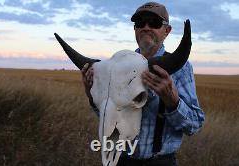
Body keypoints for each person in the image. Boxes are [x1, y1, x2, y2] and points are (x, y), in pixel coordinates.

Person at [81, 2, 205, 166]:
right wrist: (93, 95)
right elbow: (110, 114)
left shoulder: (181, 69)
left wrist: (172, 101)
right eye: (140, 23)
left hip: (160, 162)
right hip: (121, 159)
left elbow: (194, 125)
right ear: (135, 29)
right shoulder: (117, 66)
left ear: (167, 31)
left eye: (154, 22)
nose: (146, 27)